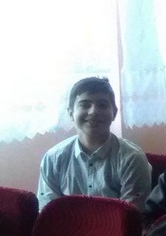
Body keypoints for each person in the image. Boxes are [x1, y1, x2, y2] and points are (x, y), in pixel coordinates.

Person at [36, 76, 152, 211]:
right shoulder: (53, 158)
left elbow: (131, 215)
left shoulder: (132, 158)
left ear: (114, 113)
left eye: (102, 105)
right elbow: (47, 211)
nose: (93, 112)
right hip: (67, 225)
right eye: (85, 105)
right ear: (70, 112)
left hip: (117, 225)